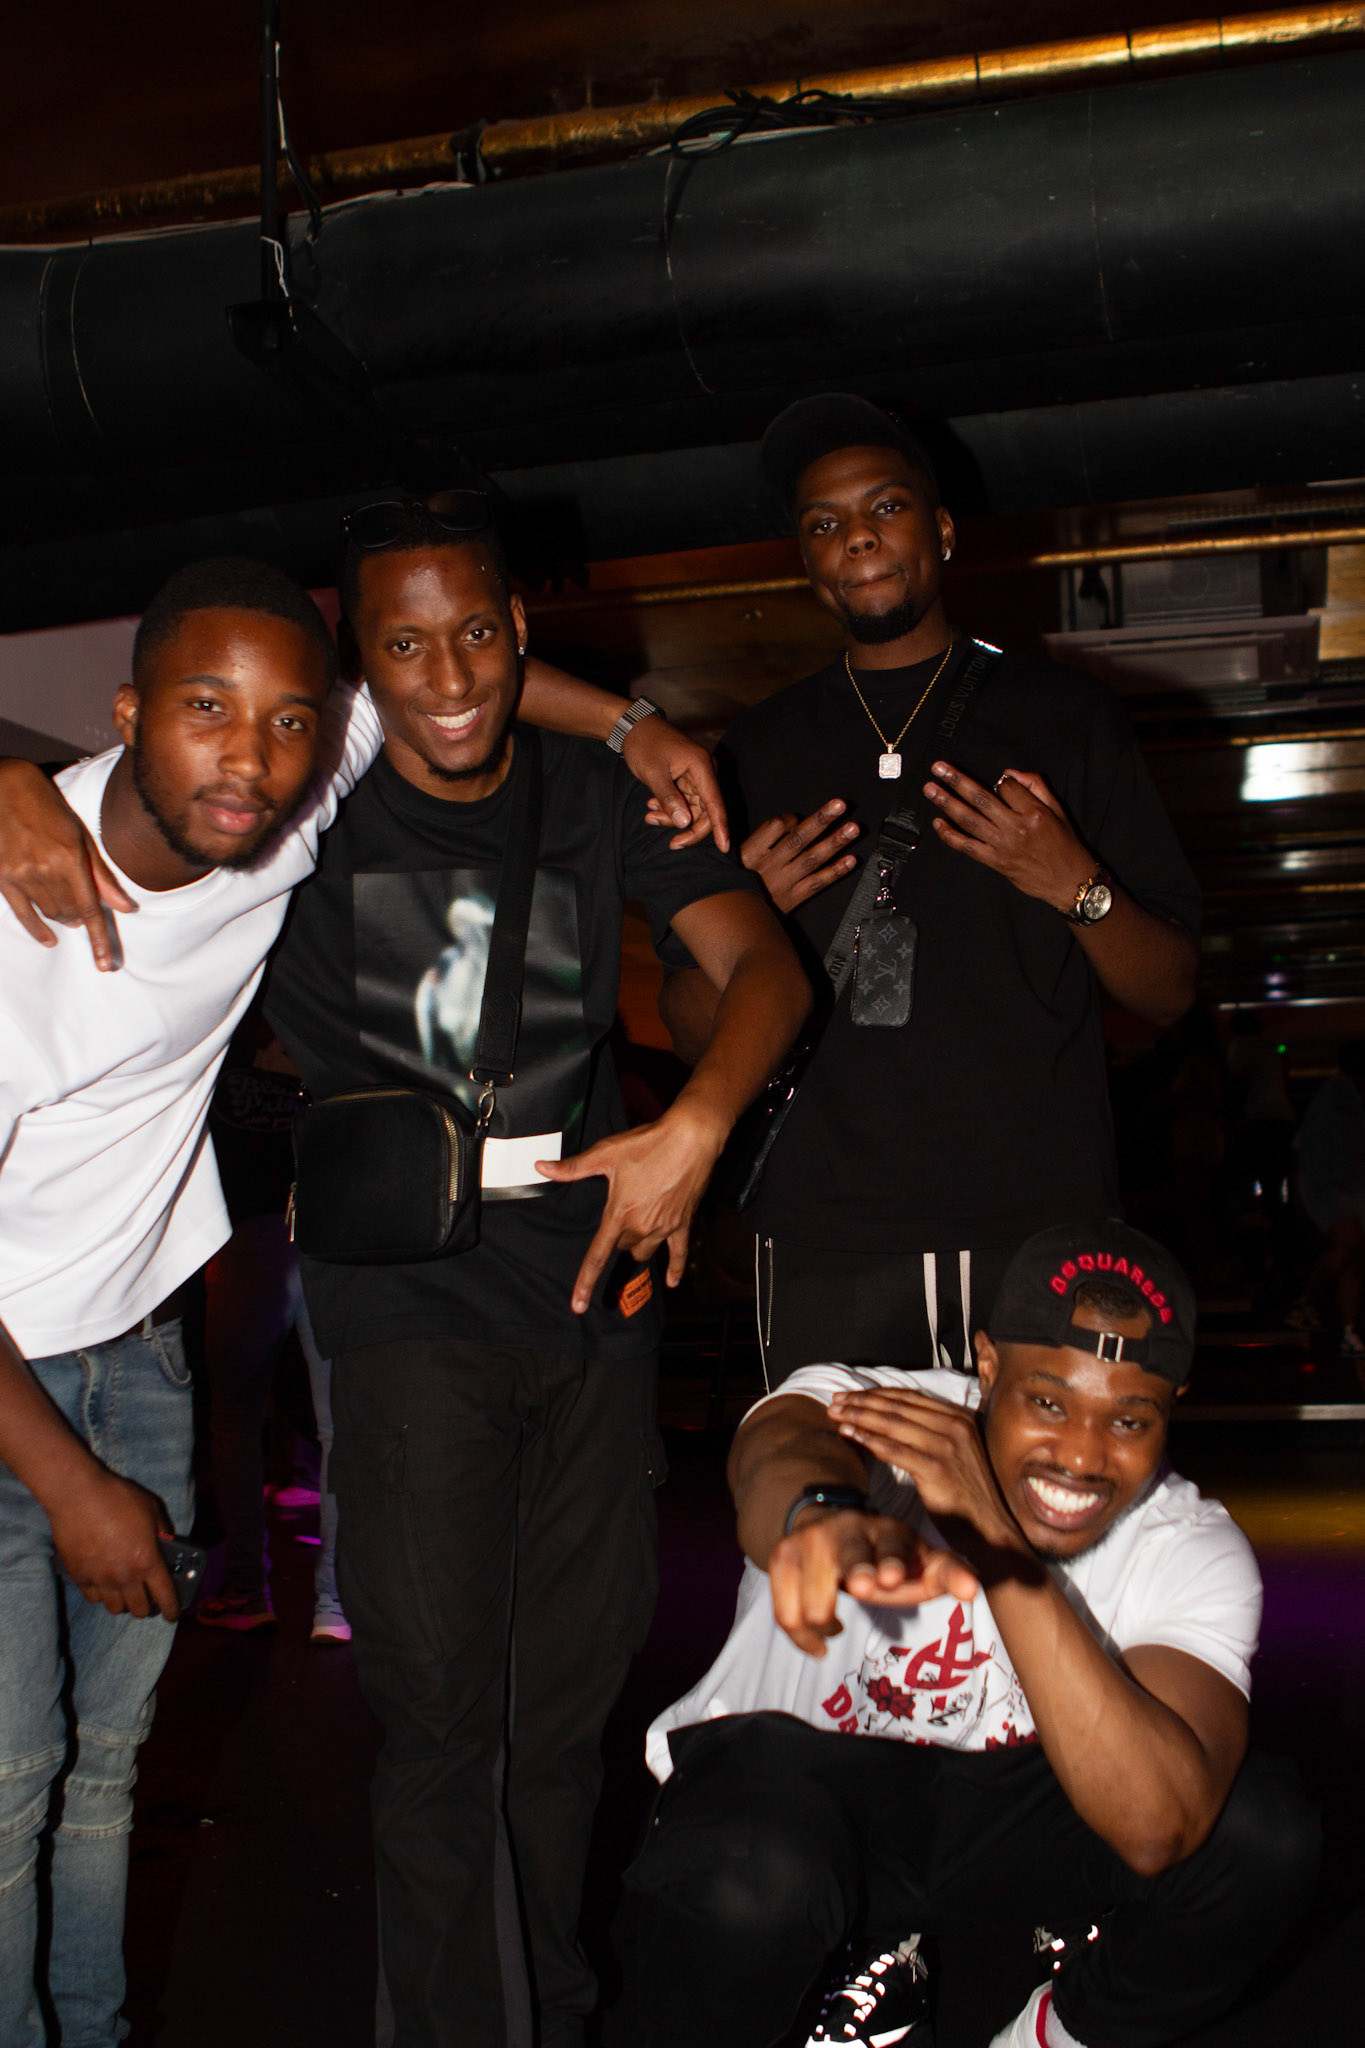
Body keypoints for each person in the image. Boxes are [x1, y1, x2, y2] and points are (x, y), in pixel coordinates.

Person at [0, 544, 754, 2047]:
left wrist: (632, 726)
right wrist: (70, 1482)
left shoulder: (280, 795)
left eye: (288, 720)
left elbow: (450, 676)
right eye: (206, 711)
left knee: (103, 1778)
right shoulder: (25, 913)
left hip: (139, 1351)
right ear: (128, 712)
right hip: (16, 1379)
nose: (252, 758)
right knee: (11, 1783)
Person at [260, 495, 810, 2048]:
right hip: (404, 1295)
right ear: (357, 667)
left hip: (593, 1289)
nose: (447, 678)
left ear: (519, 631)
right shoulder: (303, 804)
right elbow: (152, 782)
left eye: (475, 635)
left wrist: (696, 1124)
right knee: (444, 1721)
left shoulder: (596, 790)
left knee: (562, 1718)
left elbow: (765, 969)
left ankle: (543, 2016)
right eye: (403, 645)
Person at [627, 1221, 1318, 2048]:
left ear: (1174, 1407)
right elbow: (783, 1446)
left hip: (1004, 1822)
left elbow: (1154, 1826)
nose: (1080, 1456)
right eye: (1048, 1403)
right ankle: (856, 1949)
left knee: (1258, 1832)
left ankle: (1053, 2033)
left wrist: (997, 1544)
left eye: (1128, 1421)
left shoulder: (1189, 1541)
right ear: (987, 1366)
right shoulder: (896, 1414)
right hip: (802, 1799)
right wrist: (816, 1514)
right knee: (747, 1878)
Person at [662, 394, 1201, 1377]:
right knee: (832, 1481)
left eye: (886, 506)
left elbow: (1168, 990)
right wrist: (752, 925)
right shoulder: (756, 753)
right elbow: (691, 1027)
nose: (857, 537)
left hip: (1035, 1223)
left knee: (1030, 1482)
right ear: (807, 563)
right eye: (824, 523)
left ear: (943, 530)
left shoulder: (1064, 719)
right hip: (829, 1232)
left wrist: (1074, 883)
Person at [1289, 1037, 1365, 1356]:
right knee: (1348, 1243)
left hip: (1348, 1187)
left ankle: (1349, 1331)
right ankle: (1305, 1303)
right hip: (1331, 1186)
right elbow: (1317, 1151)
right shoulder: (1338, 1097)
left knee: (1354, 1258)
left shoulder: (1350, 1096)